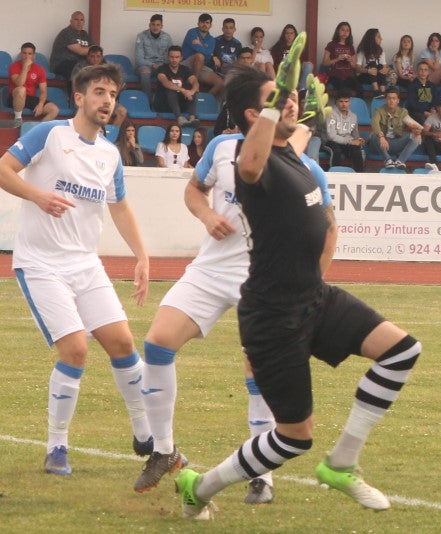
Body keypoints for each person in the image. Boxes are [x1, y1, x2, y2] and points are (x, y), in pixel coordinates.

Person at [175, 59, 421, 519]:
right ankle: (200, 486)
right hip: (273, 316)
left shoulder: (293, 153)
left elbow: (301, 136)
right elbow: (249, 164)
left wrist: (303, 112)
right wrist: (279, 98)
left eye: (290, 96)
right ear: (254, 115)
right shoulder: (252, 160)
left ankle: (342, 463)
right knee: (294, 436)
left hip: (314, 297)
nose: (291, 101)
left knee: (403, 350)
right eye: (277, 97)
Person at [134, 110, 327, 500]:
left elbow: (325, 227)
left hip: (263, 277)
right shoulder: (222, 148)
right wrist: (206, 216)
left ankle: (262, 474)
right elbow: (193, 189)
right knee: (157, 343)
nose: (285, 109)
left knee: (258, 369)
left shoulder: (307, 169)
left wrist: (309, 285)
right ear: (254, 114)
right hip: (210, 268)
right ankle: (164, 450)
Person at [0, 62, 153, 476]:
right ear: (80, 97)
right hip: (41, 264)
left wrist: (141, 256)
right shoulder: (50, 134)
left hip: (86, 264)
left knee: (122, 344)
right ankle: (56, 448)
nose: (107, 101)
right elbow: (3, 170)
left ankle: (145, 434)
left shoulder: (109, 154)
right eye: (100, 92)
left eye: (114, 95)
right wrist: (37, 196)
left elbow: (119, 205)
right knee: (76, 350)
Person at [9, 42, 61, 122]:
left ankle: (38, 129)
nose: (26, 56)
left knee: (54, 109)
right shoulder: (14, 66)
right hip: (14, 97)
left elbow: (43, 91)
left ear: (34, 56)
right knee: (21, 90)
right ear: (20, 54)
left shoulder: (39, 69)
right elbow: (20, 83)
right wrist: (25, 67)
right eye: (24, 53)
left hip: (29, 99)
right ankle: (18, 120)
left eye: (30, 54)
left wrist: (40, 104)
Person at [371, 89, 421, 170]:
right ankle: (388, 160)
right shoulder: (378, 110)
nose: (391, 101)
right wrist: (381, 137)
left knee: (416, 137)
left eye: (394, 98)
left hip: (396, 142)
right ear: (385, 100)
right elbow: (374, 123)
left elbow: (412, 124)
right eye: (389, 98)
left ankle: (400, 161)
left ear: (398, 101)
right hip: (381, 144)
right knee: (374, 136)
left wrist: (417, 131)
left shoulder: (403, 112)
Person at [153, 46, 199, 126]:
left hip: (180, 104)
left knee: (191, 91)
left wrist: (191, 92)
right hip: (163, 104)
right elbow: (165, 82)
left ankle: (192, 118)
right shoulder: (162, 69)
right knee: (171, 91)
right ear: (168, 57)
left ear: (181, 58)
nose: (174, 60)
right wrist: (183, 90)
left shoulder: (185, 69)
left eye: (177, 57)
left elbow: (195, 82)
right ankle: (179, 118)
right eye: (172, 57)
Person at [182, 13, 223, 96]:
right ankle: (195, 84)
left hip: (201, 66)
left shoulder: (211, 39)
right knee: (199, 56)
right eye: (202, 22)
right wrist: (207, 51)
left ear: (210, 25)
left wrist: (200, 44)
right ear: (198, 23)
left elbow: (207, 57)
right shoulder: (192, 32)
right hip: (186, 64)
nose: (204, 24)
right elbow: (204, 52)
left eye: (207, 23)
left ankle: (205, 100)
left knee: (220, 83)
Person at [324, 94, 366, 172]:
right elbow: (331, 136)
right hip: (331, 142)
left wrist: (358, 140)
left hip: (346, 142)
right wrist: (350, 141)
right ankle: (335, 175)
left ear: (349, 103)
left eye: (346, 101)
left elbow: (355, 134)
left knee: (356, 149)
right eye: (341, 101)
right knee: (336, 151)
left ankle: (360, 175)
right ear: (336, 102)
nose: (344, 104)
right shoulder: (331, 114)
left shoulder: (353, 116)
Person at [135, 13, 173, 95]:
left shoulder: (167, 37)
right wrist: (152, 64)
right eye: (153, 24)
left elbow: (170, 56)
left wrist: (162, 65)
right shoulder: (141, 36)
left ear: (162, 26)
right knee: (145, 72)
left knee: (171, 72)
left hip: (162, 65)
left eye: (158, 25)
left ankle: (163, 101)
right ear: (149, 25)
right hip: (146, 66)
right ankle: (147, 101)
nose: (155, 27)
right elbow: (139, 59)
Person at [50, 10, 91, 82]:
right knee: (75, 68)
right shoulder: (66, 32)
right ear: (71, 21)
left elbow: (96, 50)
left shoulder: (85, 35)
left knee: (102, 63)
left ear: (84, 22)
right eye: (76, 19)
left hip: (79, 63)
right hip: (61, 64)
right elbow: (80, 51)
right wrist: (91, 50)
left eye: (81, 20)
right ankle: (74, 93)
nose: (79, 22)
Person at [355, 28, 391, 94]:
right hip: (365, 77)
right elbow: (357, 69)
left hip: (377, 77)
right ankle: (376, 91)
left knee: (380, 66)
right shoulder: (362, 51)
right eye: (379, 37)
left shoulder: (381, 51)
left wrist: (387, 69)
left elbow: (385, 66)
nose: (381, 39)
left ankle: (383, 92)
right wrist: (368, 71)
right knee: (372, 64)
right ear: (372, 38)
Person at [322, 22, 357, 88]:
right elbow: (324, 63)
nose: (345, 32)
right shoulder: (331, 44)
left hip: (348, 76)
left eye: (347, 30)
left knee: (359, 89)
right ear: (338, 31)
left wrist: (351, 60)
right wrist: (337, 59)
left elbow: (354, 66)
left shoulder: (350, 46)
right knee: (344, 90)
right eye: (342, 30)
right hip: (335, 76)